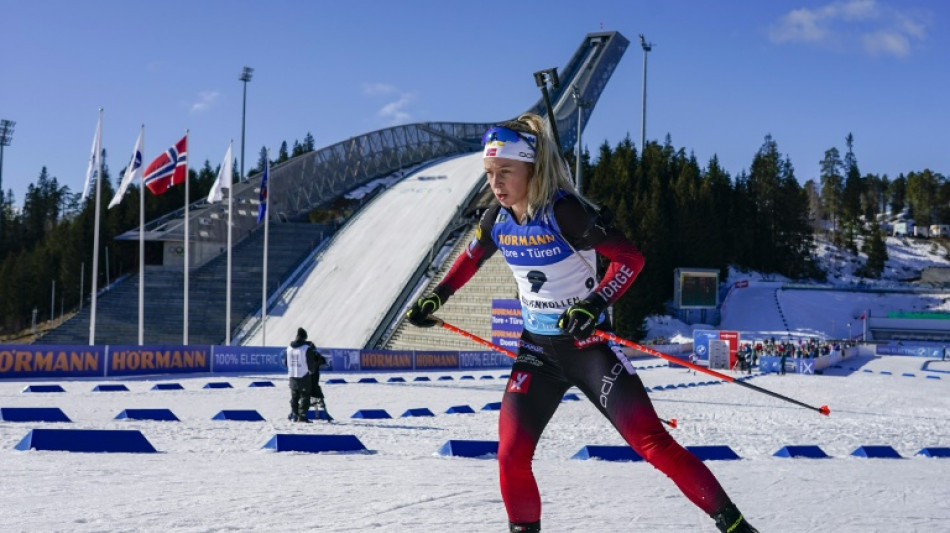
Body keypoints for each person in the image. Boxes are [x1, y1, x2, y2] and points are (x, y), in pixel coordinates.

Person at [406, 113, 757, 533]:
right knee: (511, 454)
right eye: (489, 173)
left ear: (531, 170)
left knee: (652, 443)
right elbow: (469, 260)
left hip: (587, 351)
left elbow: (631, 259)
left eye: (505, 172)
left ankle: (735, 525)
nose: (495, 183)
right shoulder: (496, 221)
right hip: (537, 352)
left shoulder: (564, 212)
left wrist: (593, 304)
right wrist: (435, 296)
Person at [285, 327, 319, 423]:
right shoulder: (306, 349)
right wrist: (312, 370)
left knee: (294, 396)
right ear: (304, 338)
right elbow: (310, 363)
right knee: (305, 396)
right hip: (303, 375)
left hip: (292, 375)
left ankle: (295, 414)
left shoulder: (289, 348)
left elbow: (285, 362)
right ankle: (302, 416)